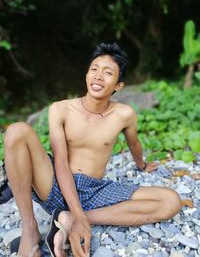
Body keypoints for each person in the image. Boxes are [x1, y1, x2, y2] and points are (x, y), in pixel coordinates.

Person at [4, 42, 182, 257]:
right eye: (94, 69)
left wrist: (142, 165)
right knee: (16, 130)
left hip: (94, 190)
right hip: (56, 182)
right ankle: (30, 229)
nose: (98, 76)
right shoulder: (60, 109)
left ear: (118, 85)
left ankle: (67, 218)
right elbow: (60, 162)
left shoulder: (124, 115)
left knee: (171, 201)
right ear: (87, 74)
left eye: (108, 73)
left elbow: (134, 144)